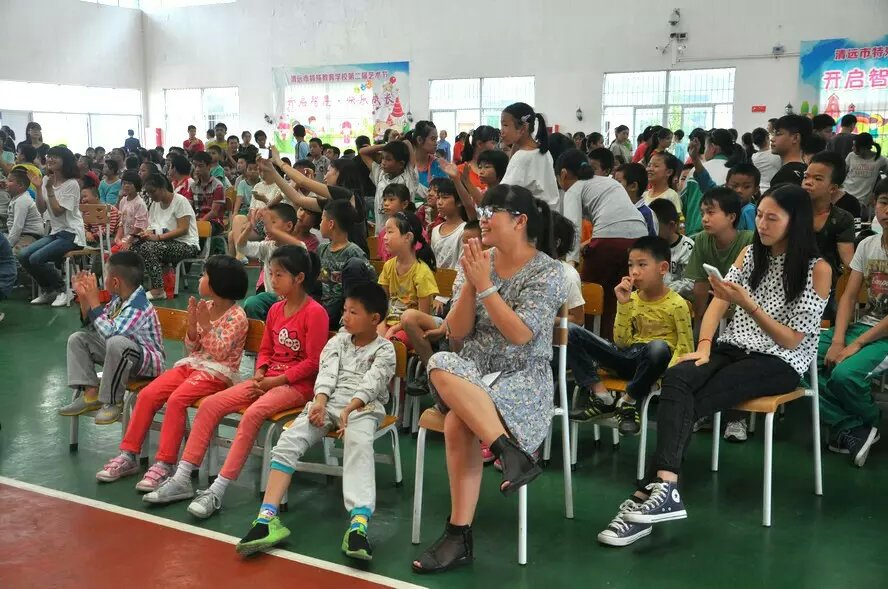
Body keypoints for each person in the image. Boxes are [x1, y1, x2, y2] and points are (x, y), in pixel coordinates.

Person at [598, 184, 830, 547]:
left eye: (772, 218)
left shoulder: (818, 270)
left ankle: (647, 494)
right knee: (678, 376)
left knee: (694, 400)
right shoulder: (750, 254)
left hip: (779, 360)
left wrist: (750, 306)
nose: (762, 225)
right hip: (732, 347)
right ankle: (664, 489)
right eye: (761, 215)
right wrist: (704, 345)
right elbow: (718, 304)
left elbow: (791, 340)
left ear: (795, 222)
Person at [410, 184, 567, 573]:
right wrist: (470, 282)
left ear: (520, 221)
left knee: (455, 422)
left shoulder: (549, 271)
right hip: (472, 373)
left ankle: (458, 535)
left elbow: (520, 334)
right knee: (441, 359)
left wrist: (484, 285)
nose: (482, 218)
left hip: (522, 379)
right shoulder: (479, 259)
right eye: (481, 210)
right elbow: (457, 331)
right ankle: (509, 452)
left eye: (491, 211)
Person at [143, 246, 328, 518]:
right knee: (210, 405)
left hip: (297, 386)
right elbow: (266, 349)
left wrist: (276, 381)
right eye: (271, 274)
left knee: (252, 414)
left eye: (279, 275)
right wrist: (261, 371)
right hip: (267, 380)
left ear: (299, 278)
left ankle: (217, 490)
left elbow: (313, 363)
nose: (273, 280)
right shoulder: (275, 310)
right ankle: (182, 478)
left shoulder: (315, 313)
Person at [235, 282, 395, 559]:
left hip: (363, 407)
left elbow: (373, 382)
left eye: (353, 312)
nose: (345, 317)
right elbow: (327, 374)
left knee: (358, 444)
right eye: (344, 310)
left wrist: (350, 409)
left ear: (375, 319)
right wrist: (319, 403)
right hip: (328, 402)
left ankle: (358, 525)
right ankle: (266, 518)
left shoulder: (385, 349)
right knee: (289, 440)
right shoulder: (337, 342)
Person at [95, 256, 248, 486]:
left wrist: (206, 325)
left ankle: (165, 463)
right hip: (192, 365)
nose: (200, 278)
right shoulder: (205, 307)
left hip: (218, 373)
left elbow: (220, 353)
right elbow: (192, 347)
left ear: (219, 282)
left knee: (176, 400)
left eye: (205, 275)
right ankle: (128, 454)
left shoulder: (237, 316)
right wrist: (193, 326)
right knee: (147, 394)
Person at [568, 236, 693, 434]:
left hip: (653, 364)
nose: (634, 271)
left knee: (659, 348)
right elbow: (622, 342)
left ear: (662, 268)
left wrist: (664, 377)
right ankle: (602, 397)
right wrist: (624, 304)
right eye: (630, 265)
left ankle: (628, 401)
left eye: (642, 265)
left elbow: (685, 349)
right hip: (628, 356)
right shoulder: (631, 298)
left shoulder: (678, 304)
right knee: (570, 331)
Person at [818, 183, 888, 467]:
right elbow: (848, 296)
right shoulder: (868, 245)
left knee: (844, 375)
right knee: (794, 358)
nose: (887, 211)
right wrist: (838, 340)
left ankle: (869, 420)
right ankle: (853, 427)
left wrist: (855, 344)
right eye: (884, 202)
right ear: (874, 203)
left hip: (882, 336)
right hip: (866, 326)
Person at [58, 253, 165, 424]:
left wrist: (95, 302)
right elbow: (94, 327)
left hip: (147, 366)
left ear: (115, 282)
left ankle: (113, 401)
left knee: (116, 342)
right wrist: (84, 297)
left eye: (105, 275)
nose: (102, 280)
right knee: (78, 339)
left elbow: (111, 334)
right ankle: (91, 395)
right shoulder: (118, 300)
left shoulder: (138, 306)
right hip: (122, 357)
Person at [20, 146, 85, 307]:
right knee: (23, 255)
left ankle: (64, 290)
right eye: (49, 156)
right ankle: (49, 291)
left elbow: (57, 211)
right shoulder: (46, 181)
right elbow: (41, 209)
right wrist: (38, 188)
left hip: (71, 234)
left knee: (36, 259)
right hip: (56, 232)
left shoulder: (72, 184)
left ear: (65, 161)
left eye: (55, 156)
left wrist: (49, 189)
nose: (50, 159)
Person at [686, 188, 754, 326]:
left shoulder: (749, 240)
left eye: (711, 212)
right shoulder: (702, 239)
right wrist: (698, 324)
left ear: (731, 217)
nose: (704, 219)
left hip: (747, 311)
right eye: (702, 213)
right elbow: (701, 285)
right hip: (716, 305)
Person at [131, 174, 200, 300]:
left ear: (163, 187)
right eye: (148, 193)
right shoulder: (155, 204)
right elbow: (152, 226)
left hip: (186, 245)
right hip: (165, 243)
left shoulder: (180, 201)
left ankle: (158, 290)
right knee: (134, 247)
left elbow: (183, 229)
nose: (151, 196)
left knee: (148, 248)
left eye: (153, 192)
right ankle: (136, 287)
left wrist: (158, 238)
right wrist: (146, 233)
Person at [238, 203, 311, 320]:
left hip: (293, 298)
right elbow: (241, 247)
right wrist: (249, 227)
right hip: (272, 298)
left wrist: (271, 228)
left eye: (272, 222)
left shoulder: (297, 247)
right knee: (252, 303)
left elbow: (300, 247)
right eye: (265, 223)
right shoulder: (267, 246)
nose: (266, 227)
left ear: (289, 226)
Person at [378, 211, 438, 347]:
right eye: (385, 232)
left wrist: (394, 329)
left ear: (408, 237)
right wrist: (381, 325)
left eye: (390, 232)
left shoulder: (422, 273)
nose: (384, 237)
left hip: (410, 328)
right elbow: (382, 303)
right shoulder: (388, 266)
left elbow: (422, 317)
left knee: (391, 344)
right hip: (389, 324)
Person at [317, 199, 375, 329]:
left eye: (322, 220)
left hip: (342, 307)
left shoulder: (354, 252)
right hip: (324, 305)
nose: (320, 224)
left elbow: (371, 280)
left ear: (331, 224)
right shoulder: (321, 249)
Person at [499, 102, 560, 209]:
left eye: (505, 125)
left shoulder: (522, 157)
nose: (502, 131)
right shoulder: (544, 152)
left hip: (531, 215)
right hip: (549, 214)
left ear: (523, 128)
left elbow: (504, 193)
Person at [360, 139, 420, 224]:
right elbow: (362, 152)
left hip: (401, 230)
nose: (383, 162)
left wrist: (393, 145)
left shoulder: (409, 177)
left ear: (401, 164)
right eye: (382, 158)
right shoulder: (380, 175)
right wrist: (386, 146)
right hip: (381, 230)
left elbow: (407, 142)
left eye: (388, 159)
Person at [649, 198, 694, 300]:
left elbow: (690, 283)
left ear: (671, 226)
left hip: (680, 301)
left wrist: (662, 289)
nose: (652, 230)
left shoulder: (687, 247)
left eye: (656, 226)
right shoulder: (652, 245)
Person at [844, 132, 888, 220]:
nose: (852, 148)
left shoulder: (880, 159)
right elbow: (842, 173)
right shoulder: (851, 156)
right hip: (846, 195)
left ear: (864, 148)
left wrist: (876, 192)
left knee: (858, 223)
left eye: (855, 146)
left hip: (862, 201)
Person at [429, 178, 468, 269]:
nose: (439, 202)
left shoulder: (464, 230)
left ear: (459, 202)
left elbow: (462, 266)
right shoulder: (435, 230)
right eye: (438, 198)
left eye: (445, 197)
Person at [4, 169, 44, 253]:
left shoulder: (22, 201)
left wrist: (8, 245)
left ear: (20, 186)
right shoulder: (17, 198)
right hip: (20, 235)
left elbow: (17, 227)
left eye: (10, 181)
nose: (6, 183)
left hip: (29, 237)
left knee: (12, 255)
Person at [615, 163, 657, 237]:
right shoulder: (613, 209)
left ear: (633, 186)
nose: (613, 186)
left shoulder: (647, 214)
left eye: (618, 182)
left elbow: (652, 242)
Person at [190, 151, 226, 235]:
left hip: (214, 222)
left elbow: (214, 212)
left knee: (200, 229)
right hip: (197, 220)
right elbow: (189, 207)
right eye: (195, 166)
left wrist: (199, 222)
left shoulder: (217, 186)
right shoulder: (193, 186)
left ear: (209, 166)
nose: (197, 169)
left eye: (200, 166)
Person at [112, 171, 150, 253]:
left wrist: (128, 242)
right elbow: (121, 222)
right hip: (125, 238)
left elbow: (139, 227)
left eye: (130, 183)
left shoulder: (139, 203)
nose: (126, 186)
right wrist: (118, 237)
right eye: (124, 183)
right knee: (112, 250)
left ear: (136, 185)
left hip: (137, 239)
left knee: (118, 253)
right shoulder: (123, 201)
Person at [770, 115, 811, 187]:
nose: (772, 139)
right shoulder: (807, 170)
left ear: (795, 138)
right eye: (773, 134)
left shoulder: (785, 176)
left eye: (778, 134)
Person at [457, 126, 501, 191]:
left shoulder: (496, 170)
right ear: (479, 144)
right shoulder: (460, 171)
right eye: (493, 143)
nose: (496, 147)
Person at [376, 184, 412, 261]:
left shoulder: (413, 228)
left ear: (405, 204)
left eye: (391, 199)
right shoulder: (383, 233)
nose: (386, 203)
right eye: (384, 199)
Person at [725, 163, 761, 231]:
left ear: (756, 190)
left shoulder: (749, 210)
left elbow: (752, 235)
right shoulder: (726, 208)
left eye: (746, 187)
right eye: (734, 186)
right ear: (726, 186)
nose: (739, 190)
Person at [751, 127, 782, 194]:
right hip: (774, 189)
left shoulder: (754, 157)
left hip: (760, 190)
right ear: (767, 138)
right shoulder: (776, 154)